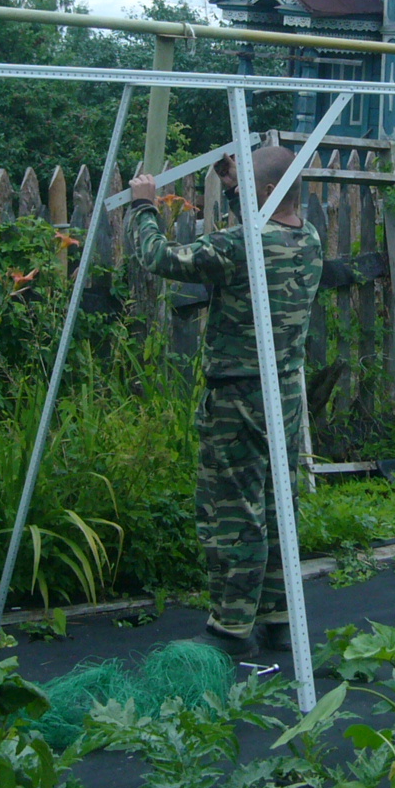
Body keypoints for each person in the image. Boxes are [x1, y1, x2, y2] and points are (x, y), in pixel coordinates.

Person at [125, 142, 322, 656]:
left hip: (237, 394)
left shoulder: (240, 246)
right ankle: (279, 617)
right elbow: (254, 228)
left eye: (241, 183)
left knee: (231, 508)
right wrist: (240, 184)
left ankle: (231, 629)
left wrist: (144, 206)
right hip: (283, 392)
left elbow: (160, 256)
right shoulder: (308, 239)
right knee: (278, 504)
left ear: (262, 191)